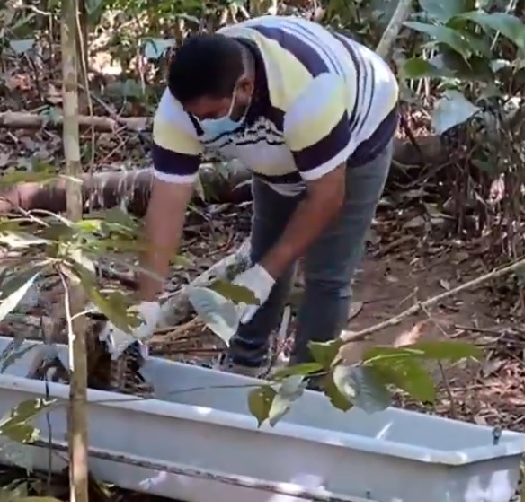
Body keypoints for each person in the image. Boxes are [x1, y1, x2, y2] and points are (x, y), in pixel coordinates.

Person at [100, 14, 398, 377]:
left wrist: (266, 274)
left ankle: (306, 386)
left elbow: (326, 197)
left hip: (358, 130)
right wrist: (145, 305)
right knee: (265, 251)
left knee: (326, 274)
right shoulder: (181, 109)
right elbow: (167, 204)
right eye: (195, 116)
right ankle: (243, 363)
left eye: (210, 115)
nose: (202, 124)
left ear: (244, 87)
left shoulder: (307, 92)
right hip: (276, 149)